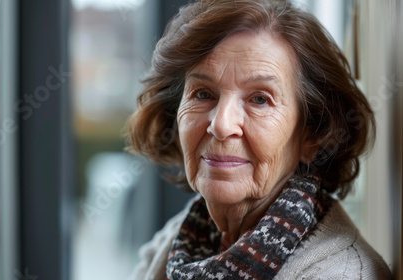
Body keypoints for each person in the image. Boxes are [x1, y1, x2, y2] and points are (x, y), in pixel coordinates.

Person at [126, 0, 392, 279]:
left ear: (312, 136)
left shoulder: (341, 273)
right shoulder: (183, 236)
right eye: (203, 94)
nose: (221, 125)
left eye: (260, 99)